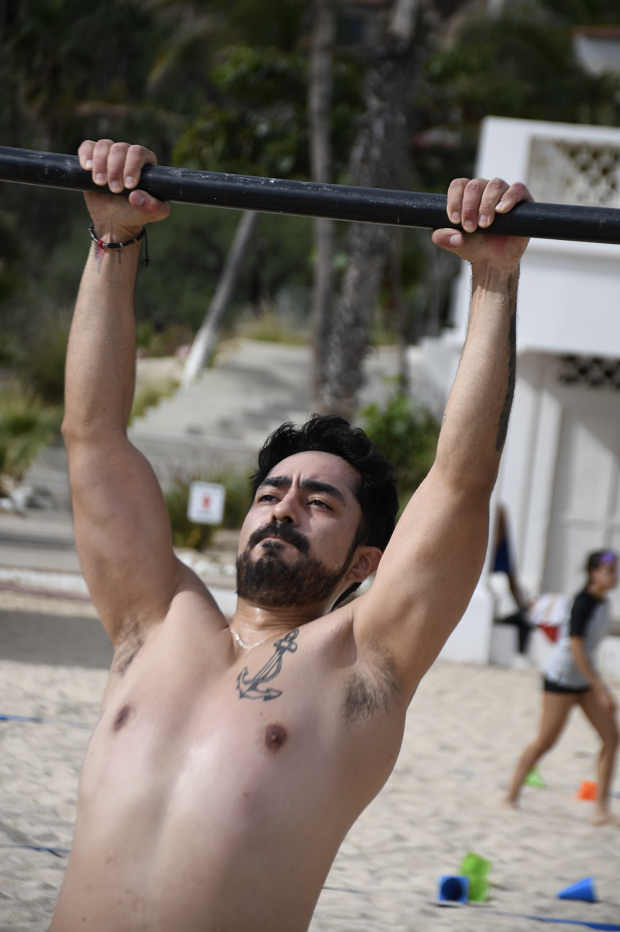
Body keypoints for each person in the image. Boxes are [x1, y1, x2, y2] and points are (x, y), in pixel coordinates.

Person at [51, 137, 531, 932]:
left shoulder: (362, 665)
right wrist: (113, 234)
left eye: (319, 502)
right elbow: (92, 435)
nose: (283, 507)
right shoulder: (154, 620)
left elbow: (458, 483)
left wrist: (493, 279)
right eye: (271, 492)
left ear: (365, 561)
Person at [504, 550, 620, 825]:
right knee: (546, 741)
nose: (615, 576)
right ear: (593, 573)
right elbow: (576, 647)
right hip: (561, 678)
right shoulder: (583, 603)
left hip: (584, 679)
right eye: (609, 570)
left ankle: (601, 810)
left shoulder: (604, 603)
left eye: (616, 570)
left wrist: (595, 685)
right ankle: (510, 796)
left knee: (612, 738)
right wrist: (600, 687)